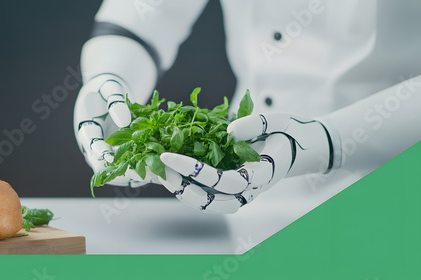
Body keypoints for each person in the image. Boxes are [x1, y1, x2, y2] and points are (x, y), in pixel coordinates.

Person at [73, 0, 421, 213]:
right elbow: (143, 17)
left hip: (397, 194)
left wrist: (326, 141)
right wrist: (110, 76)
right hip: (244, 192)